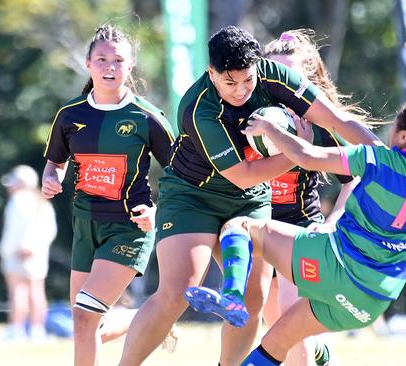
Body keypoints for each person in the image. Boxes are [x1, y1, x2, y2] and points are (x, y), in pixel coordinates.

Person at [185, 32, 406, 365]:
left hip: (308, 234)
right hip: (375, 288)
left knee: (280, 314)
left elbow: (330, 168)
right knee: (281, 333)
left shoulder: (346, 142)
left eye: (294, 77)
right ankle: (315, 350)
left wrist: (329, 219)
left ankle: (235, 297)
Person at [118, 25, 380, 366]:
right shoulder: (198, 108)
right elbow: (243, 175)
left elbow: (335, 119)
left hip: (251, 199)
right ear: (211, 73)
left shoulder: (276, 77)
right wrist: (298, 150)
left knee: (251, 301)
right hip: (194, 195)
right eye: (230, 83)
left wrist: (384, 156)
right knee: (177, 290)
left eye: (248, 80)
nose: (241, 90)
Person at [41, 24, 175, 366]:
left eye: (118, 60)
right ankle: (149, 316)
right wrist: (50, 179)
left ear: (130, 67)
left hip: (129, 227)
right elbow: (55, 162)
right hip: (85, 226)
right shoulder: (70, 115)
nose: (110, 67)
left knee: (86, 316)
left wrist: (155, 211)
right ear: (88, 64)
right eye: (102, 59)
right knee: (84, 325)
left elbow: (180, 175)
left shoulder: (147, 117)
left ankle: (151, 316)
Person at [259, 29, 368, 366]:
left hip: (301, 231)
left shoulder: (322, 125)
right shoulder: (250, 117)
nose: (283, 86)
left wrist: (332, 223)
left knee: (290, 326)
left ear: (305, 79)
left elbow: (355, 180)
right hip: (258, 228)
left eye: (291, 76)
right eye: (275, 75)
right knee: (270, 323)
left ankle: (312, 352)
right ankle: (321, 354)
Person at [0, 165, 57, 342]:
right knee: (37, 291)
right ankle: (37, 330)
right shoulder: (42, 201)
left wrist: (25, 246)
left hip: (18, 253)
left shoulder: (18, 200)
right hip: (38, 254)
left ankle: (17, 329)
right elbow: (49, 229)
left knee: (18, 291)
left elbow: (19, 230)